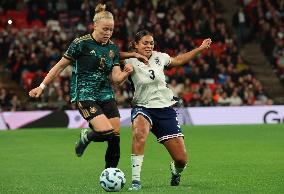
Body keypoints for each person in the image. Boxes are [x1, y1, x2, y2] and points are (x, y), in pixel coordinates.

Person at [29, 4, 146, 169]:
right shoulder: (81, 43)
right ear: (95, 25)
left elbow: (116, 79)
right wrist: (41, 86)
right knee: (106, 132)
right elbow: (60, 66)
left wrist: (126, 72)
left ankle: (110, 173)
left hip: (105, 94)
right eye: (105, 29)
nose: (108, 33)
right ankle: (87, 136)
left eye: (111, 30)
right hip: (85, 95)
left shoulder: (112, 48)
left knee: (115, 137)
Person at [124, 30, 212, 190]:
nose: (149, 46)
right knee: (139, 134)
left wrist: (199, 49)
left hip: (165, 109)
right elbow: (110, 56)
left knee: (181, 159)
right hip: (142, 106)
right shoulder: (128, 60)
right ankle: (135, 181)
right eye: (145, 42)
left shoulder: (160, 57)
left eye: (151, 43)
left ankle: (176, 172)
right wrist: (126, 66)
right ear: (136, 45)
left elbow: (178, 60)